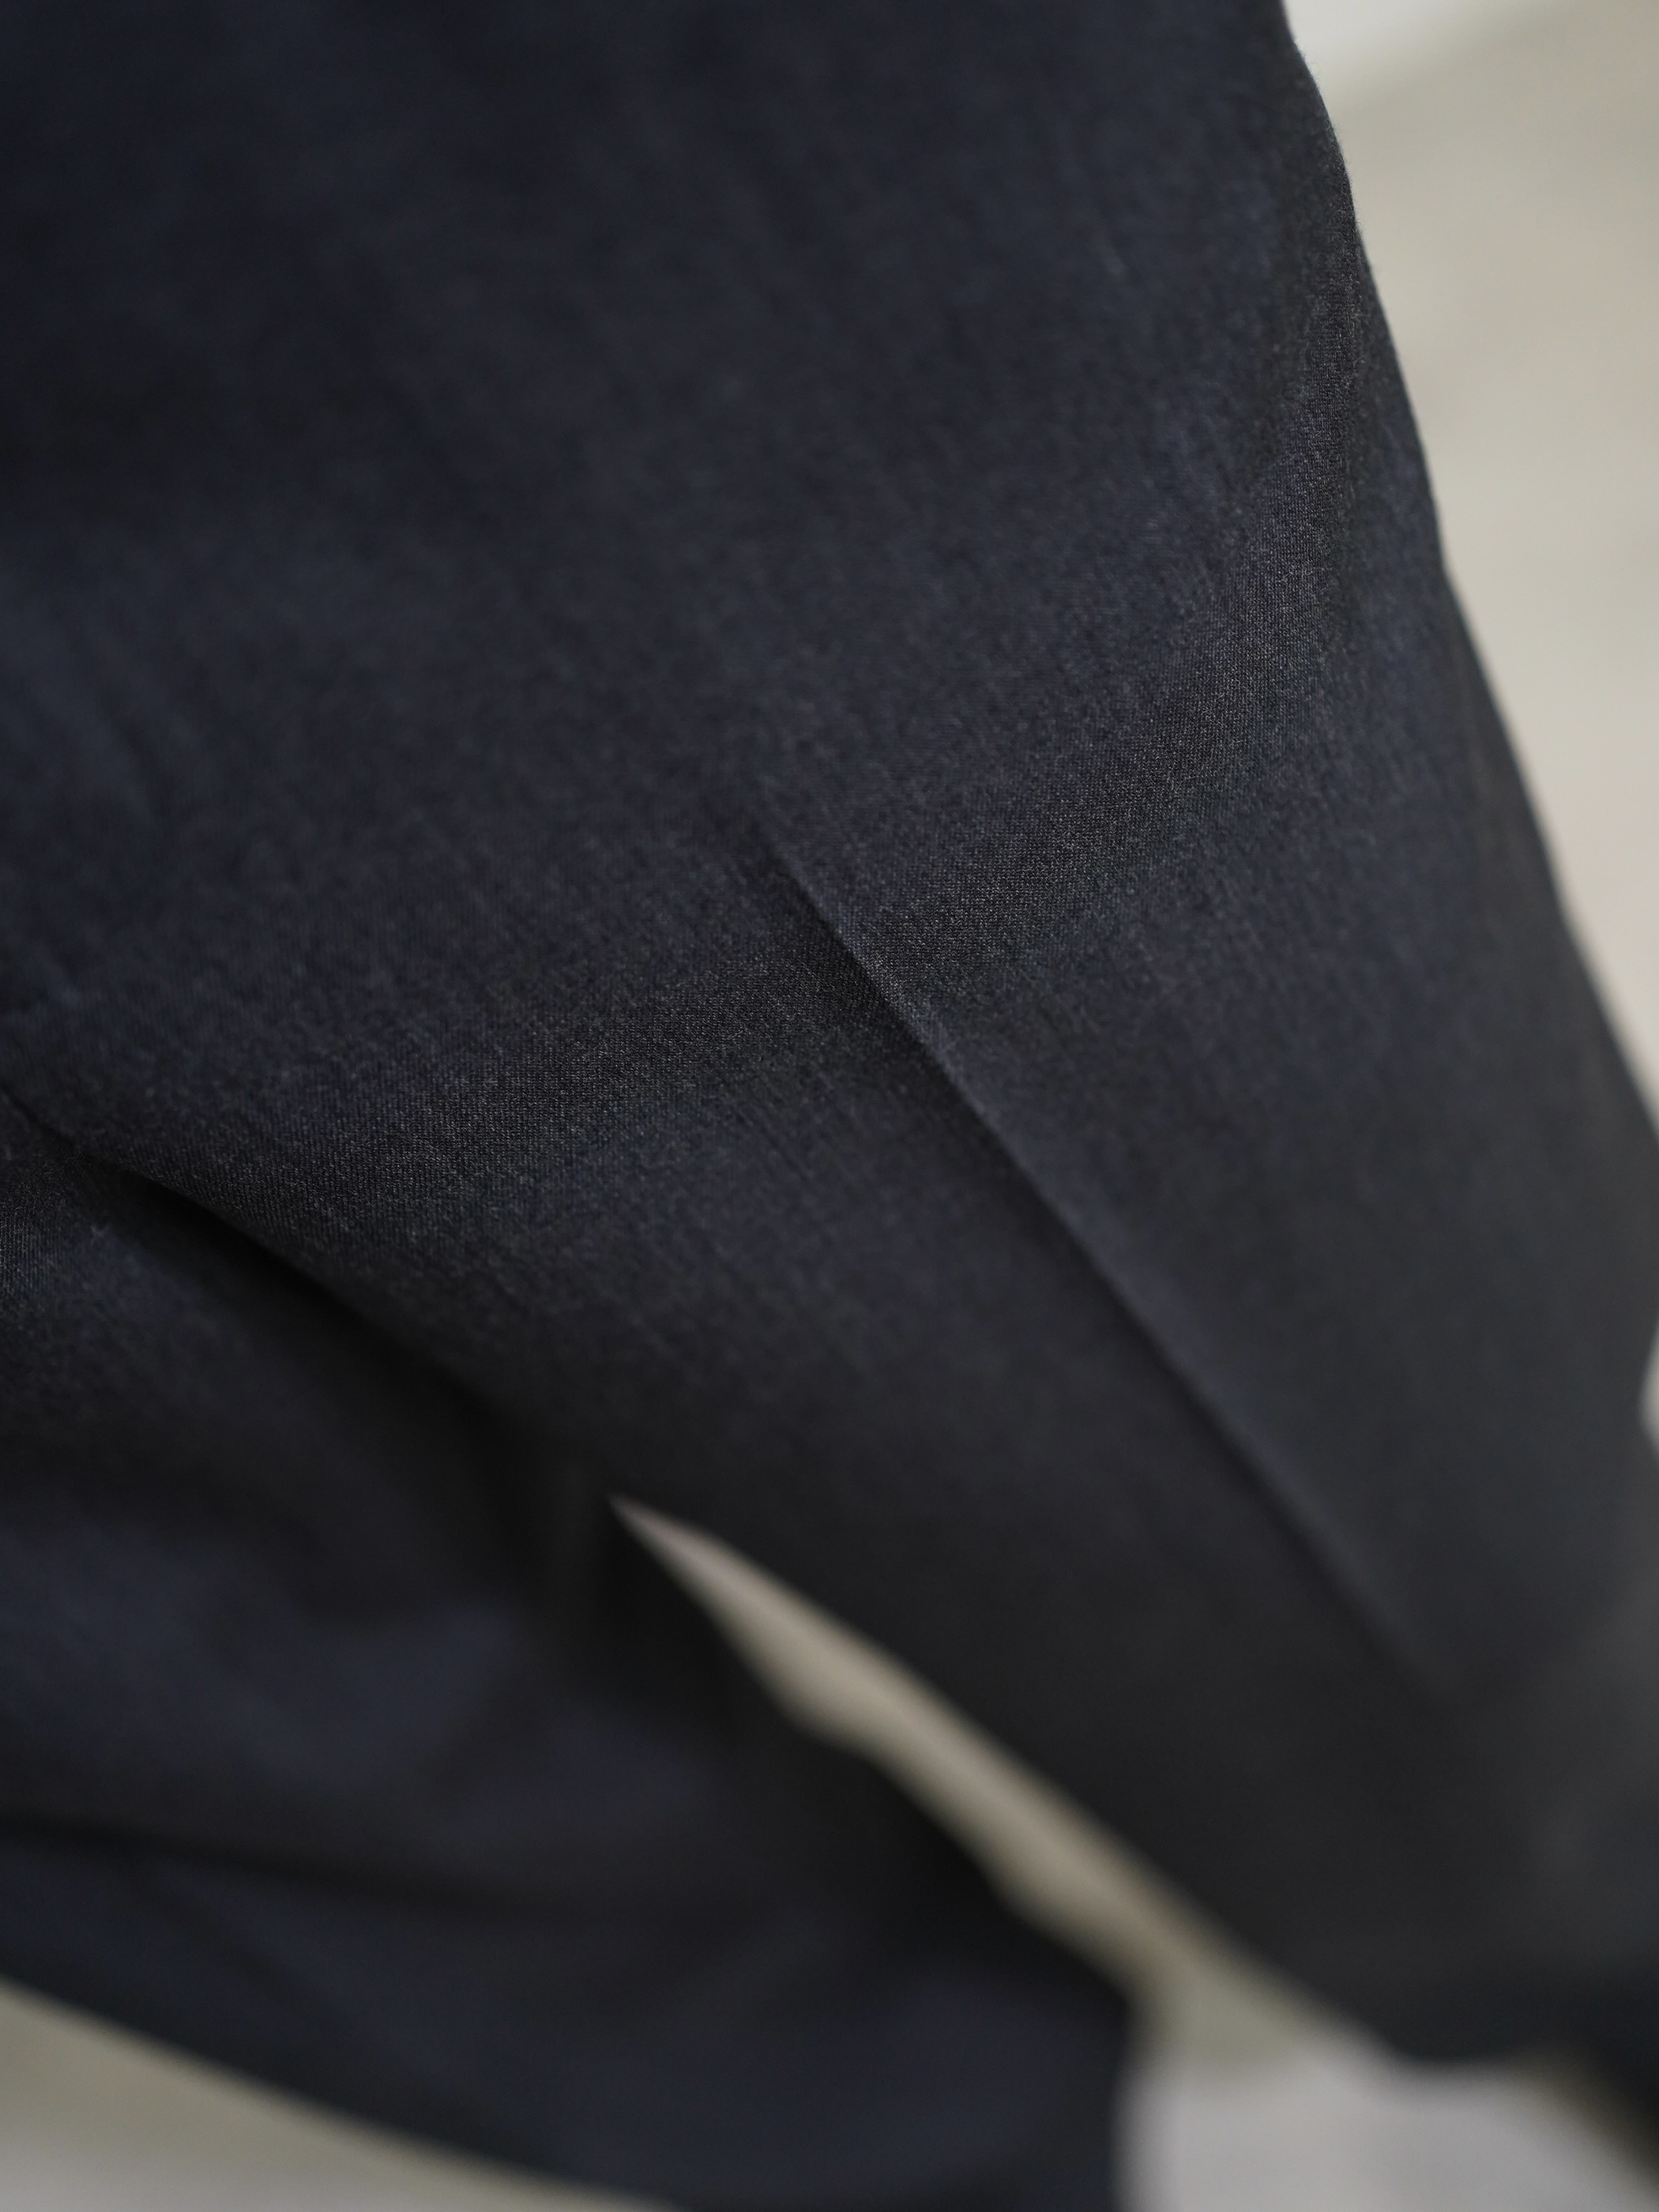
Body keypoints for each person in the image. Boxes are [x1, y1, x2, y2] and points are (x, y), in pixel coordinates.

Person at [3, 2, 1657, 2205]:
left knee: (1359, 1407)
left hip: (505, 238)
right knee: (216, 1747)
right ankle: (953, 2147)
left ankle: (1581, 1913)